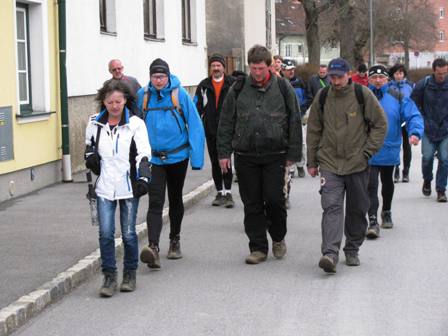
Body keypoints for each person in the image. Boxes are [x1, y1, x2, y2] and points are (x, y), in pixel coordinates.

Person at [217, 45, 301, 265]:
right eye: (253, 68)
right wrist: (224, 153)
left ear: (270, 66)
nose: (256, 73)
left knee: (274, 200)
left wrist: (294, 153)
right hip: (246, 155)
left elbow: (294, 120)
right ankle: (257, 247)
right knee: (251, 203)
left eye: (261, 68)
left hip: (275, 154)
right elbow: (226, 121)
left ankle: (278, 236)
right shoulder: (238, 88)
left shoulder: (283, 87)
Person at [307, 58, 387, 273]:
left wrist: (367, 152)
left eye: (339, 77)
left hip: (357, 163)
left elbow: (380, 125)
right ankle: (330, 253)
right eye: (332, 77)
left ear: (348, 74)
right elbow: (314, 129)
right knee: (331, 206)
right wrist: (312, 161)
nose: (335, 81)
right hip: (330, 162)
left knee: (357, 209)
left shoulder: (363, 95)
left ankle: (352, 249)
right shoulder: (323, 97)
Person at [84, 80, 152, 297]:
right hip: (105, 186)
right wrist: (90, 158)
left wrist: (144, 178)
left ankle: (130, 274)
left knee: (129, 233)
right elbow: (89, 147)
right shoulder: (94, 123)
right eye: (110, 102)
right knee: (105, 233)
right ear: (103, 102)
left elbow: (144, 153)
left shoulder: (135, 124)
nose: (114, 106)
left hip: (129, 185)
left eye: (118, 101)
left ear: (125, 101)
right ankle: (109, 276)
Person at [136, 58, 205, 269]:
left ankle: (174, 240)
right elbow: (134, 125)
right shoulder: (143, 96)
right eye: (155, 77)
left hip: (177, 157)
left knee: (175, 199)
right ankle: (153, 247)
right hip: (153, 158)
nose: (158, 81)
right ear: (150, 77)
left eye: (162, 76)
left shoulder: (179, 94)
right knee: (155, 201)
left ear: (168, 76)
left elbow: (194, 125)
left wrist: (197, 159)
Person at [365, 65, 423, 239]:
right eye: (374, 77)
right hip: (366, 149)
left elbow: (413, 115)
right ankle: (373, 221)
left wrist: (415, 132)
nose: (377, 81)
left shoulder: (396, 96)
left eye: (380, 78)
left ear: (386, 80)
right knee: (371, 185)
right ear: (369, 79)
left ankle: (387, 211)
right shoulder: (362, 96)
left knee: (387, 182)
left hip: (389, 147)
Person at [195, 53, 236, 207]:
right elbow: (197, 107)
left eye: (218, 65)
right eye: (213, 66)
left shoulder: (232, 83)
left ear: (223, 68)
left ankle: (229, 193)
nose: (216, 68)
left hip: (228, 129)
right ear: (210, 68)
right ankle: (220, 192)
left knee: (226, 161)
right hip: (210, 128)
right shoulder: (203, 85)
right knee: (214, 161)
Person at [411, 58, 448, 202]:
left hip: (445, 129)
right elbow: (413, 105)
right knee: (427, 158)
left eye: (445, 73)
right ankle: (427, 180)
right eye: (439, 73)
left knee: (445, 159)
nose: (442, 76)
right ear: (434, 71)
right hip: (428, 127)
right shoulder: (423, 84)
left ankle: (441, 190)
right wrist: (422, 120)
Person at [282, 59, 309, 178]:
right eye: (288, 70)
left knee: (301, 142)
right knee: (287, 143)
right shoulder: (280, 83)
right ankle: (290, 168)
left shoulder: (300, 82)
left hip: (299, 116)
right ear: (283, 70)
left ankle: (300, 165)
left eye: (292, 69)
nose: (291, 71)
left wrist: (302, 111)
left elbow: (308, 97)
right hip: (285, 118)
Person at [388, 63, 415, 183]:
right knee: (395, 146)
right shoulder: (388, 87)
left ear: (404, 74)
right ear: (393, 75)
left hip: (406, 120)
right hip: (394, 121)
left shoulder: (410, 86)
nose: (398, 75)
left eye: (400, 73)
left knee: (406, 146)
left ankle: (406, 171)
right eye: (396, 73)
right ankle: (396, 169)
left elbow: (414, 102)